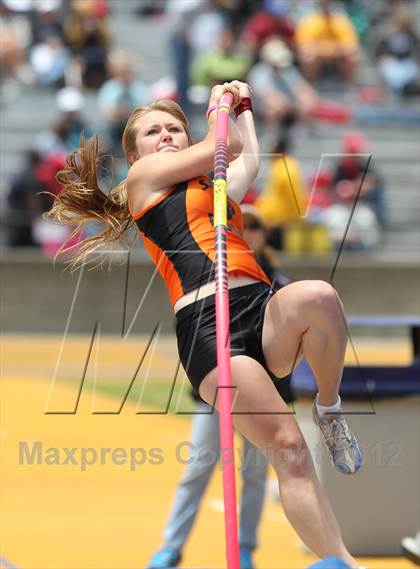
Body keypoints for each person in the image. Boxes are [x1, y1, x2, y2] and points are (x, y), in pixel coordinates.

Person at [45, 80, 365, 567]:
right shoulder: (145, 180)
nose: (167, 136)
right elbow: (227, 144)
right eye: (154, 131)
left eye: (175, 127)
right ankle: (341, 560)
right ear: (136, 154)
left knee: (319, 296)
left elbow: (248, 160)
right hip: (208, 327)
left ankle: (329, 407)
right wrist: (220, 105)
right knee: (288, 448)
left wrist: (245, 105)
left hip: (261, 308)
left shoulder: (211, 189)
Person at [147, 205, 294, 569]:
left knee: (256, 474)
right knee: (197, 467)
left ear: (264, 233)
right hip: (215, 396)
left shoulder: (280, 285)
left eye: (255, 224)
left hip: (263, 395)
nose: (246, 229)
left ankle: (244, 548)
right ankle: (171, 547)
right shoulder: (210, 270)